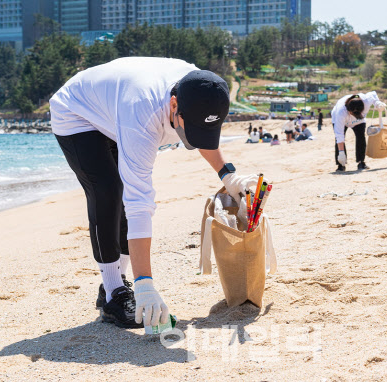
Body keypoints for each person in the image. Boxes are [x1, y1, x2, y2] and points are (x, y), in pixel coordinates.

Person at [49, 57, 258, 329]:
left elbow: (201, 131)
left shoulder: (202, 89)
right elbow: (139, 203)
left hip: (114, 109)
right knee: (109, 191)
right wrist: (145, 283)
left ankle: (115, 285)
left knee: (121, 190)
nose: (192, 137)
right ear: (174, 105)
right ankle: (114, 292)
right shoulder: (142, 115)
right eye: (189, 128)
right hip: (77, 112)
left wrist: (227, 175)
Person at [331, 92, 386, 171]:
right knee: (339, 141)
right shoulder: (340, 112)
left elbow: (373, 94)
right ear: (349, 111)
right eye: (353, 114)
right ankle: (341, 165)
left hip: (359, 122)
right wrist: (341, 152)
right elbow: (339, 135)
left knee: (361, 138)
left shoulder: (366, 100)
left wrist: (377, 103)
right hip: (343, 121)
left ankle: (361, 162)